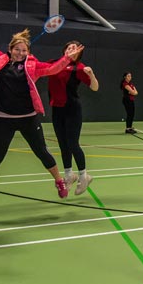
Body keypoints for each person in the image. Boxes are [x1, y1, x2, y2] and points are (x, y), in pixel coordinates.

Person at [0, 2, 84, 211]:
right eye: (17, 49)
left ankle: (59, 180)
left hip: (28, 117)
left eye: (24, 50)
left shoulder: (33, 66)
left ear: (28, 52)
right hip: (3, 118)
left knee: (42, 152)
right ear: (10, 49)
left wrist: (67, 57)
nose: (21, 53)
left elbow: (53, 69)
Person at [48, 40, 99, 195]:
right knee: (63, 144)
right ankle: (69, 174)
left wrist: (91, 74)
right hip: (57, 110)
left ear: (78, 53)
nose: (71, 49)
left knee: (72, 144)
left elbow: (95, 87)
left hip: (72, 110)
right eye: (69, 47)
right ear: (64, 50)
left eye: (74, 48)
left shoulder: (79, 68)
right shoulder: (54, 63)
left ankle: (84, 176)